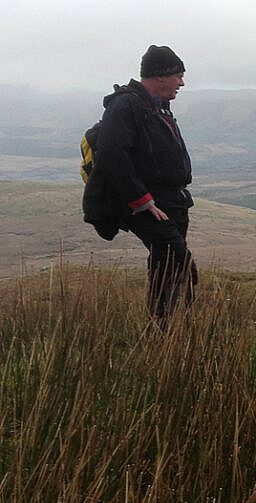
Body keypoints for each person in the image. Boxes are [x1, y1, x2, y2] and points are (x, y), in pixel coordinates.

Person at [91, 45, 195, 321]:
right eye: (178, 76)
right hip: (148, 203)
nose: (182, 83)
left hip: (171, 201)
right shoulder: (127, 104)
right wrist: (142, 201)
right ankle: (162, 332)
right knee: (176, 258)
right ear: (161, 76)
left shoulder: (157, 108)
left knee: (172, 266)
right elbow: (112, 154)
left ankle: (172, 330)